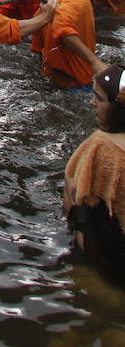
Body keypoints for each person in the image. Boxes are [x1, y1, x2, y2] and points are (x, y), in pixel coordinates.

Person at [63, 63, 125, 277]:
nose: (92, 103)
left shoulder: (101, 145)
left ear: (117, 107)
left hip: (110, 259)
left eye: (99, 98)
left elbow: (73, 194)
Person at [33, 0, 107, 89]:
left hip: (53, 73)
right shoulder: (79, 1)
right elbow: (61, 28)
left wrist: (39, 54)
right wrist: (94, 62)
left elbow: (39, 19)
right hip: (75, 81)